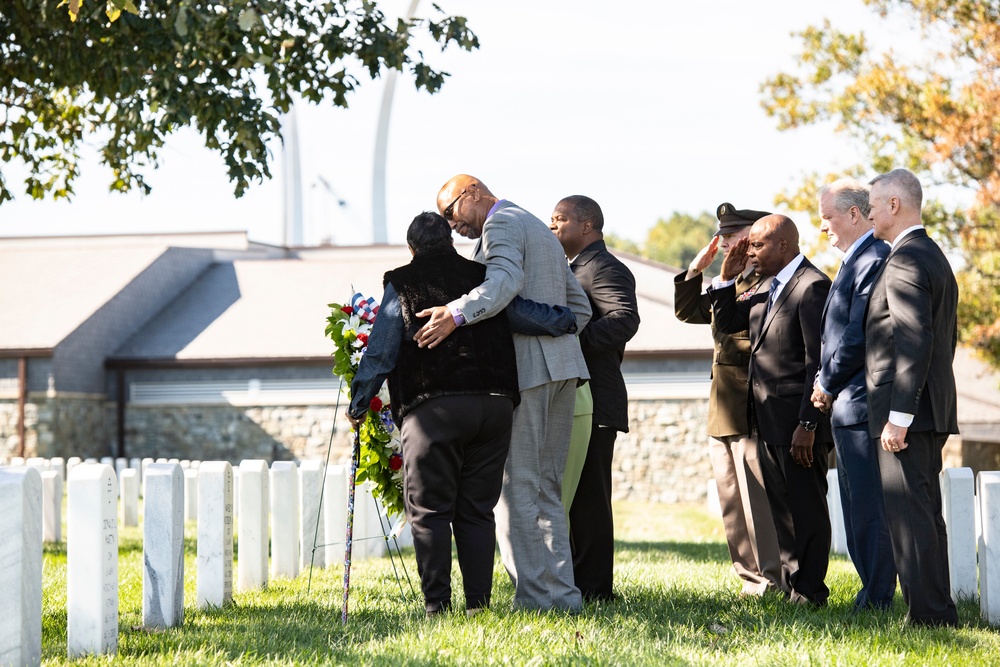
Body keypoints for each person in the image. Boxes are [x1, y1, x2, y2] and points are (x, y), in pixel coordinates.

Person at [347, 212, 575, 616]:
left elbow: (382, 349)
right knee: (476, 509)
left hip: (434, 407)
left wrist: (359, 402)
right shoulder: (481, 276)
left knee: (430, 509)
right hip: (494, 406)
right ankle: (477, 606)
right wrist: (563, 319)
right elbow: (519, 312)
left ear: (412, 248)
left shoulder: (402, 281)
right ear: (450, 242)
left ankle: (437, 604)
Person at [414, 175, 592, 611]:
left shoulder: (501, 224)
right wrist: (558, 338)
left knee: (518, 489)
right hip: (564, 370)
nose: (451, 225)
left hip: (528, 373)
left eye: (451, 212)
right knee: (547, 488)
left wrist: (455, 313)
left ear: (473, 193)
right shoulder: (533, 224)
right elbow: (580, 308)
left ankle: (535, 598)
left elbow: (504, 283)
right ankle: (561, 596)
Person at [709, 214, 833, 606]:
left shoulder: (811, 286)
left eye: (757, 245)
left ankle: (811, 591)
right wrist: (727, 277)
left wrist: (808, 423)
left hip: (798, 424)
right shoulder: (767, 286)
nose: (750, 251)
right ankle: (793, 587)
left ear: (783, 245)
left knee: (806, 510)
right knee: (782, 512)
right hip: (764, 421)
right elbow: (728, 323)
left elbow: (819, 363)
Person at [863, 168, 960, 627]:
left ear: (894, 205)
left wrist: (899, 415)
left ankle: (927, 616)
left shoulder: (903, 259)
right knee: (924, 513)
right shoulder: (933, 255)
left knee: (910, 514)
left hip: (908, 413)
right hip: (929, 407)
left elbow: (915, 340)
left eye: (873, 204)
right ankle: (938, 608)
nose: (868, 212)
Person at [673, 202, 783, 597]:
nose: (725, 244)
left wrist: (722, 280)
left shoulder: (769, 281)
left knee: (757, 496)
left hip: (750, 401)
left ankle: (772, 577)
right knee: (731, 500)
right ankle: (750, 578)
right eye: (722, 237)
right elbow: (688, 312)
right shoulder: (734, 281)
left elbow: (741, 336)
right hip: (723, 404)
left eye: (734, 237)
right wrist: (697, 269)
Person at [809, 178, 896, 613]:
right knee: (855, 504)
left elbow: (857, 333)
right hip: (848, 404)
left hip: (862, 401)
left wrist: (826, 381)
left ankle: (878, 597)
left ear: (854, 214)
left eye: (828, 217)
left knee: (868, 507)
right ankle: (870, 591)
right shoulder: (853, 261)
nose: (823, 226)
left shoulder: (874, 258)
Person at [549, 195, 640, 601]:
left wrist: (571, 342)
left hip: (597, 400)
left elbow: (624, 318)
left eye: (560, 219)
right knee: (574, 496)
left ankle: (596, 590)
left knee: (589, 499)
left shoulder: (602, 267)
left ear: (587, 225)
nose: (553, 227)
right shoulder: (574, 268)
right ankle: (576, 583)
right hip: (576, 398)